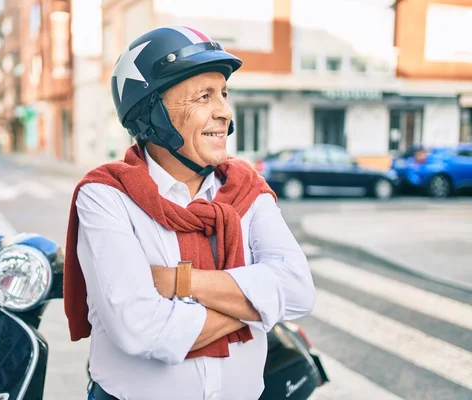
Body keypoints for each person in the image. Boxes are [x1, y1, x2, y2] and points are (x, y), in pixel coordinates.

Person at [64, 26, 316, 400]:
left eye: (224, 95)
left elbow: (298, 292)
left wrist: (182, 283)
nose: (224, 113)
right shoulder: (106, 197)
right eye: (204, 97)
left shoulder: (247, 190)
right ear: (153, 113)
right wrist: (259, 306)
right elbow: (140, 328)